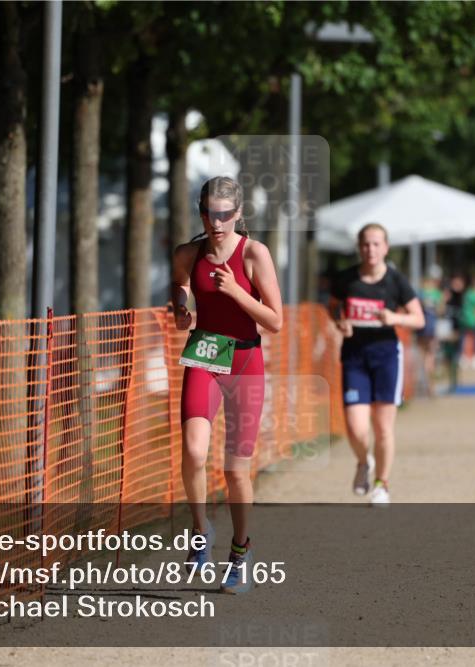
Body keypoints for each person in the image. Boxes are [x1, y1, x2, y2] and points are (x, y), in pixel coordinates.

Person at [170, 176, 282, 594]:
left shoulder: (254, 254)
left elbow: (275, 321)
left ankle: (240, 551)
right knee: (194, 450)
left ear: (238, 214)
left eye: (223, 214)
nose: (215, 222)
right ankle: (200, 532)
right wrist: (180, 304)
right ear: (200, 213)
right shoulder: (188, 252)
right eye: (207, 213)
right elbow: (180, 282)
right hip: (205, 351)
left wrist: (236, 291)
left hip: (245, 358)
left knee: (236, 469)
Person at [328, 223, 424, 506]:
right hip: (354, 357)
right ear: (359, 248)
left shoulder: (396, 281)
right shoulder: (347, 279)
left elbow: (419, 318)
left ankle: (382, 484)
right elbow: (332, 305)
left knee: (382, 428)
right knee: (356, 428)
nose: (371, 249)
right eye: (366, 244)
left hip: (385, 357)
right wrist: (339, 321)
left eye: (376, 244)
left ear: (386, 247)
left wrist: (396, 319)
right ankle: (363, 462)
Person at [416, 266, 444, 397]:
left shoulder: (421, 292)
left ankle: (423, 384)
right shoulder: (437, 294)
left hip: (421, 328)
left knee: (422, 357)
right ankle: (430, 386)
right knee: (430, 358)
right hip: (431, 328)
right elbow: (440, 311)